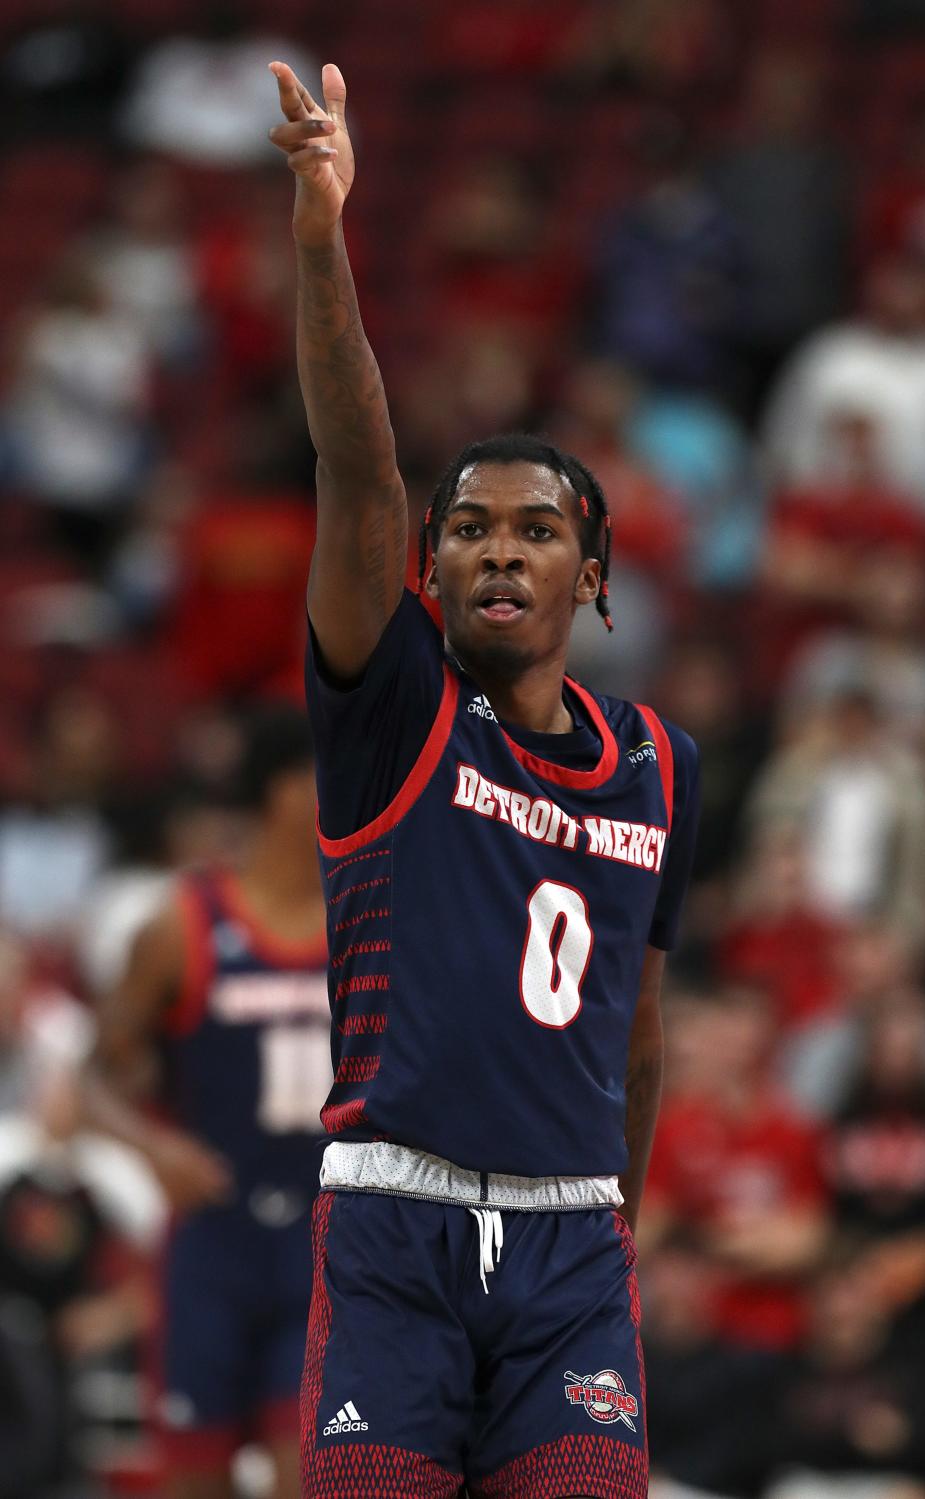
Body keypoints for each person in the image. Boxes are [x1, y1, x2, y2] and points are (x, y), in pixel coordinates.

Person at [267, 60, 700, 1498]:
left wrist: (614, 1208)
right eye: (466, 528)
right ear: (430, 562)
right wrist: (325, 239)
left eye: (532, 528)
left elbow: (637, 1032)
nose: (497, 548)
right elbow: (357, 461)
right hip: (397, 1230)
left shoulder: (659, 767)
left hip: (574, 1247)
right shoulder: (396, 707)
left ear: (595, 574)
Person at [83, 704, 331, 1499]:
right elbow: (92, 1077)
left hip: (330, 1244)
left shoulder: (371, 920)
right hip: (215, 1246)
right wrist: (154, 1149)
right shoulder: (184, 924)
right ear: (286, 790)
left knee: (313, 1475)